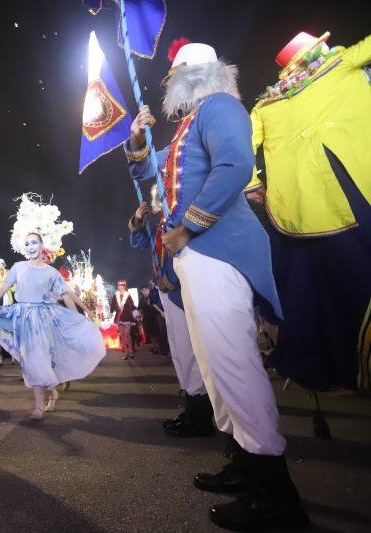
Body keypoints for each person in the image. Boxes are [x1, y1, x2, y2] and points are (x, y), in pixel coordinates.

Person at [125, 41, 307, 529]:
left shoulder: (221, 106)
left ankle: (275, 492)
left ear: (194, 75)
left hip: (217, 249)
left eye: (173, 74)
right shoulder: (188, 126)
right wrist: (138, 137)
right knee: (216, 369)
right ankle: (246, 465)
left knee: (233, 364)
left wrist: (188, 227)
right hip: (195, 259)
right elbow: (148, 174)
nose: (167, 84)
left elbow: (235, 168)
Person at [246, 32, 371, 392]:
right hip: (354, 193)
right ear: (319, 50)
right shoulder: (342, 62)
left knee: (315, 297)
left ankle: (334, 370)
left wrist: (252, 184)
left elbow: (241, 147)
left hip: (296, 216)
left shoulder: (266, 106)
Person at [0, 194, 106, 420]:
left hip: (44, 320)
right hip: (23, 319)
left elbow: (67, 297)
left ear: (42, 245)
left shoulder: (51, 272)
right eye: (27, 243)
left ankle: (42, 403)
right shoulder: (18, 267)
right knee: (32, 360)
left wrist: (78, 319)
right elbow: (1, 290)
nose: (31, 246)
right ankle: (48, 395)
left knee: (40, 358)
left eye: (34, 242)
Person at [129, 201, 214, 438]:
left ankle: (201, 414)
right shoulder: (162, 223)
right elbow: (139, 242)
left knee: (190, 350)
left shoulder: (185, 216)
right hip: (167, 288)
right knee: (179, 350)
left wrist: (171, 278)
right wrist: (138, 220)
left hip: (181, 285)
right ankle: (193, 407)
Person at [110, 280, 136, 359]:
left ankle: (131, 351)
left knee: (127, 334)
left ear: (124, 286)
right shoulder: (115, 295)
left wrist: (135, 311)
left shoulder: (127, 294)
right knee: (123, 335)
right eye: (118, 285)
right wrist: (111, 312)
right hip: (119, 317)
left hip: (127, 316)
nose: (120, 287)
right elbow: (113, 304)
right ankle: (126, 353)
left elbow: (131, 304)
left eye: (121, 285)